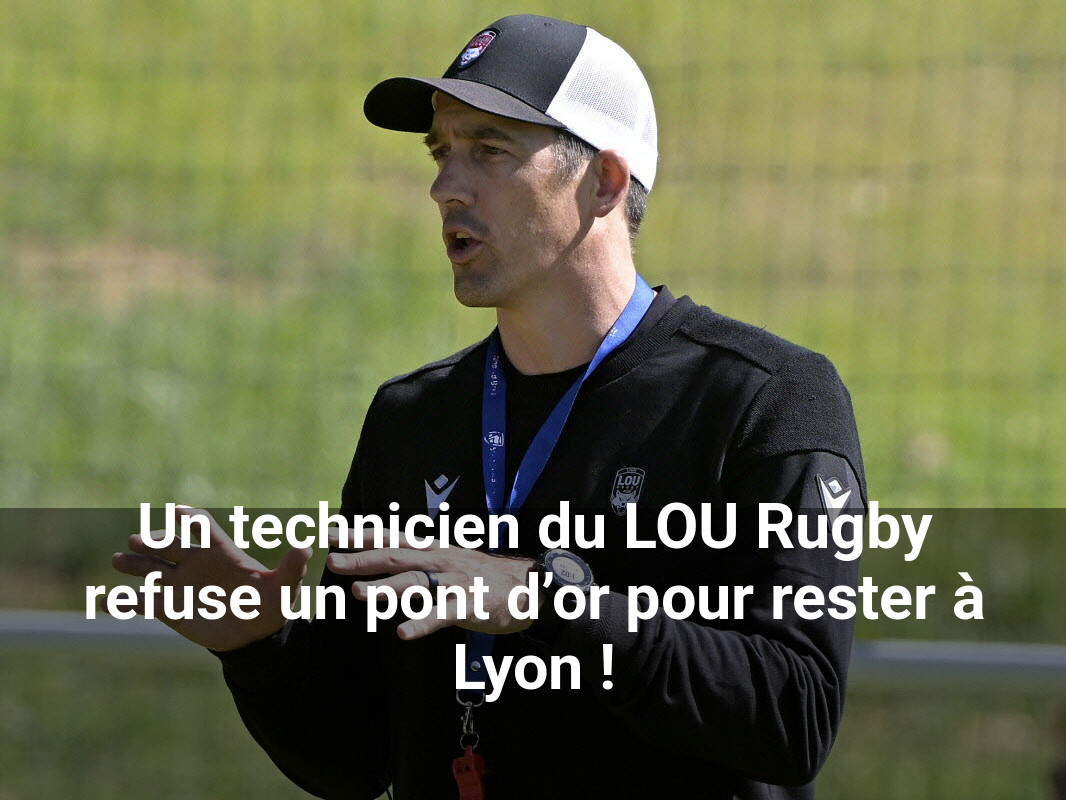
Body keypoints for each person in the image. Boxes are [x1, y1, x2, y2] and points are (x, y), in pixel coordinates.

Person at [113, 14, 865, 799]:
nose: (445, 186)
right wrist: (258, 647)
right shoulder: (412, 418)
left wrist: (548, 600)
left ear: (604, 182)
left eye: (489, 150)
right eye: (441, 151)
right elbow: (357, 760)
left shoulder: (768, 399)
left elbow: (795, 715)